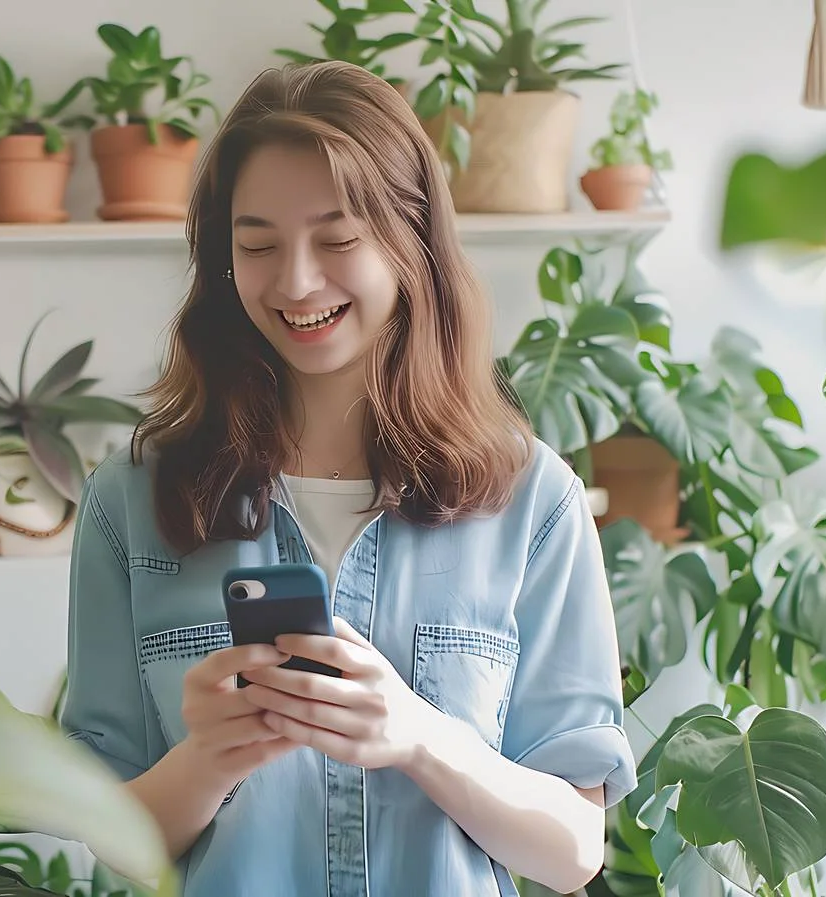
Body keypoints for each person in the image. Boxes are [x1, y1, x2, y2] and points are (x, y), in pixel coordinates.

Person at [59, 59, 636, 897]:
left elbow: (575, 845)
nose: (294, 282)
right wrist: (210, 757)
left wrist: (419, 737)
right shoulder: (133, 499)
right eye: (257, 243)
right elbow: (107, 825)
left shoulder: (531, 500)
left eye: (336, 241)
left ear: (410, 245)